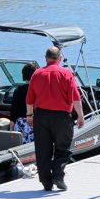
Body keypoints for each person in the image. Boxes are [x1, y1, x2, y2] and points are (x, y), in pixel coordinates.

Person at [26, 46, 84, 191]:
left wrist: (29, 116)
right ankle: (58, 175)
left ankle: (46, 182)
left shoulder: (37, 74)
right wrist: (81, 116)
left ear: (46, 58)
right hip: (61, 117)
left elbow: (29, 99)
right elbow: (76, 97)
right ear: (59, 59)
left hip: (41, 117)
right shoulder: (66, 73)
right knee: (63, 148)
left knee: (42, 150)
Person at [10, 63, 37, 143]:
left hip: (19, 125)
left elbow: (13, 112)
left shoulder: (17, 90)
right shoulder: (38, 90)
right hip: (33, 123)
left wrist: (11, 130)